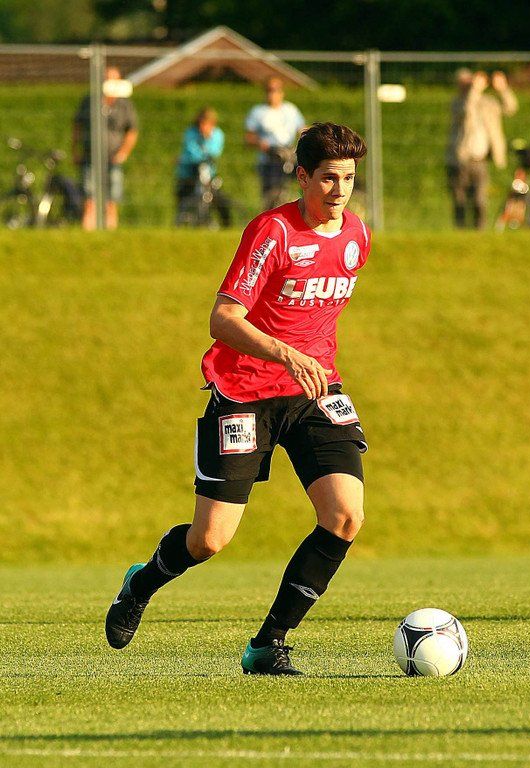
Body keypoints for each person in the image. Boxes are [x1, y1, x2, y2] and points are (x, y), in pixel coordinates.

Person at [105, 123, 371, 676]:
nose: (340, 190)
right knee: (209, 540)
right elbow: (223, 319)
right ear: (303, 177)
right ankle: (142, 582)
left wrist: (308, 361)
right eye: (328, 178)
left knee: (345, 516)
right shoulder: (272, 232)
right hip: (246, 393)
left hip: (315, 389)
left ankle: (268, 644)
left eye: (348, 178)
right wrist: (283, 352)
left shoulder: (356, 237)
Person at [445, 68, 518, 229]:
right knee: (460, 199)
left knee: (480, 199)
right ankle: (460, 230)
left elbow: (510, 108)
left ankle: (479, 231)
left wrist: (502, 88)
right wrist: (475, 90)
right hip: (459, 159)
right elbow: (468, 112)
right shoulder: (458, 103)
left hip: (480, 160)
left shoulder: (487, 103)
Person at [72, 65, 139, 230]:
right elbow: (77, 127)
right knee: (89, 197)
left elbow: (132, 131)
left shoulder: (124, 104)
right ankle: (87, 230)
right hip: (90, 156)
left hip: (113, 158)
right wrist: (75, 150)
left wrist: (123, 153)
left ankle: (111, 231)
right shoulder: (89, 101)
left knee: (112, 199)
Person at [245, 76, 306, 212]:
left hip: (290, 156)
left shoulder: (291, 110)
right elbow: (249, 137)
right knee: (272, 196)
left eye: (276, 90)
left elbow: (302, 130)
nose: (272, 94)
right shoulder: (258, 112)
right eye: (269, 90)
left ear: (282, 92)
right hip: (270, 159)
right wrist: (261, 143)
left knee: (308, 179)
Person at [175, 107, 232, 227]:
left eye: (206, 124)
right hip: (189, 174)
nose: (202, 127)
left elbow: (214, 152)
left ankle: (226, 225)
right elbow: (192, 153)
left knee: (219, 199)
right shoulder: (191, 133)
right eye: (201, 124)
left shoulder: (217, 134)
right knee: (184, 201)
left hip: (208, 175)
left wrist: (206, 139)